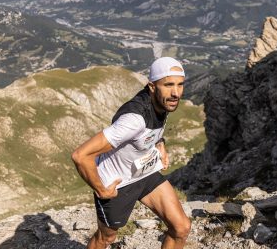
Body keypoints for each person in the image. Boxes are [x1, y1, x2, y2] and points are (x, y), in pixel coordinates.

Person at [71, 57, 191, 249]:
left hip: (144, 172)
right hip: (118, 183)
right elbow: (80, 155)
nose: (176, 93)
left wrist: (160, 143)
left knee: (181, 228)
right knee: (106, 238)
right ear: (152, 87)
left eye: (180, 85)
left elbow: (151, 129)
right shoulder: (133, 120)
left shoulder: (163, 101)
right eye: (168, 85)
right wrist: (102, 189)